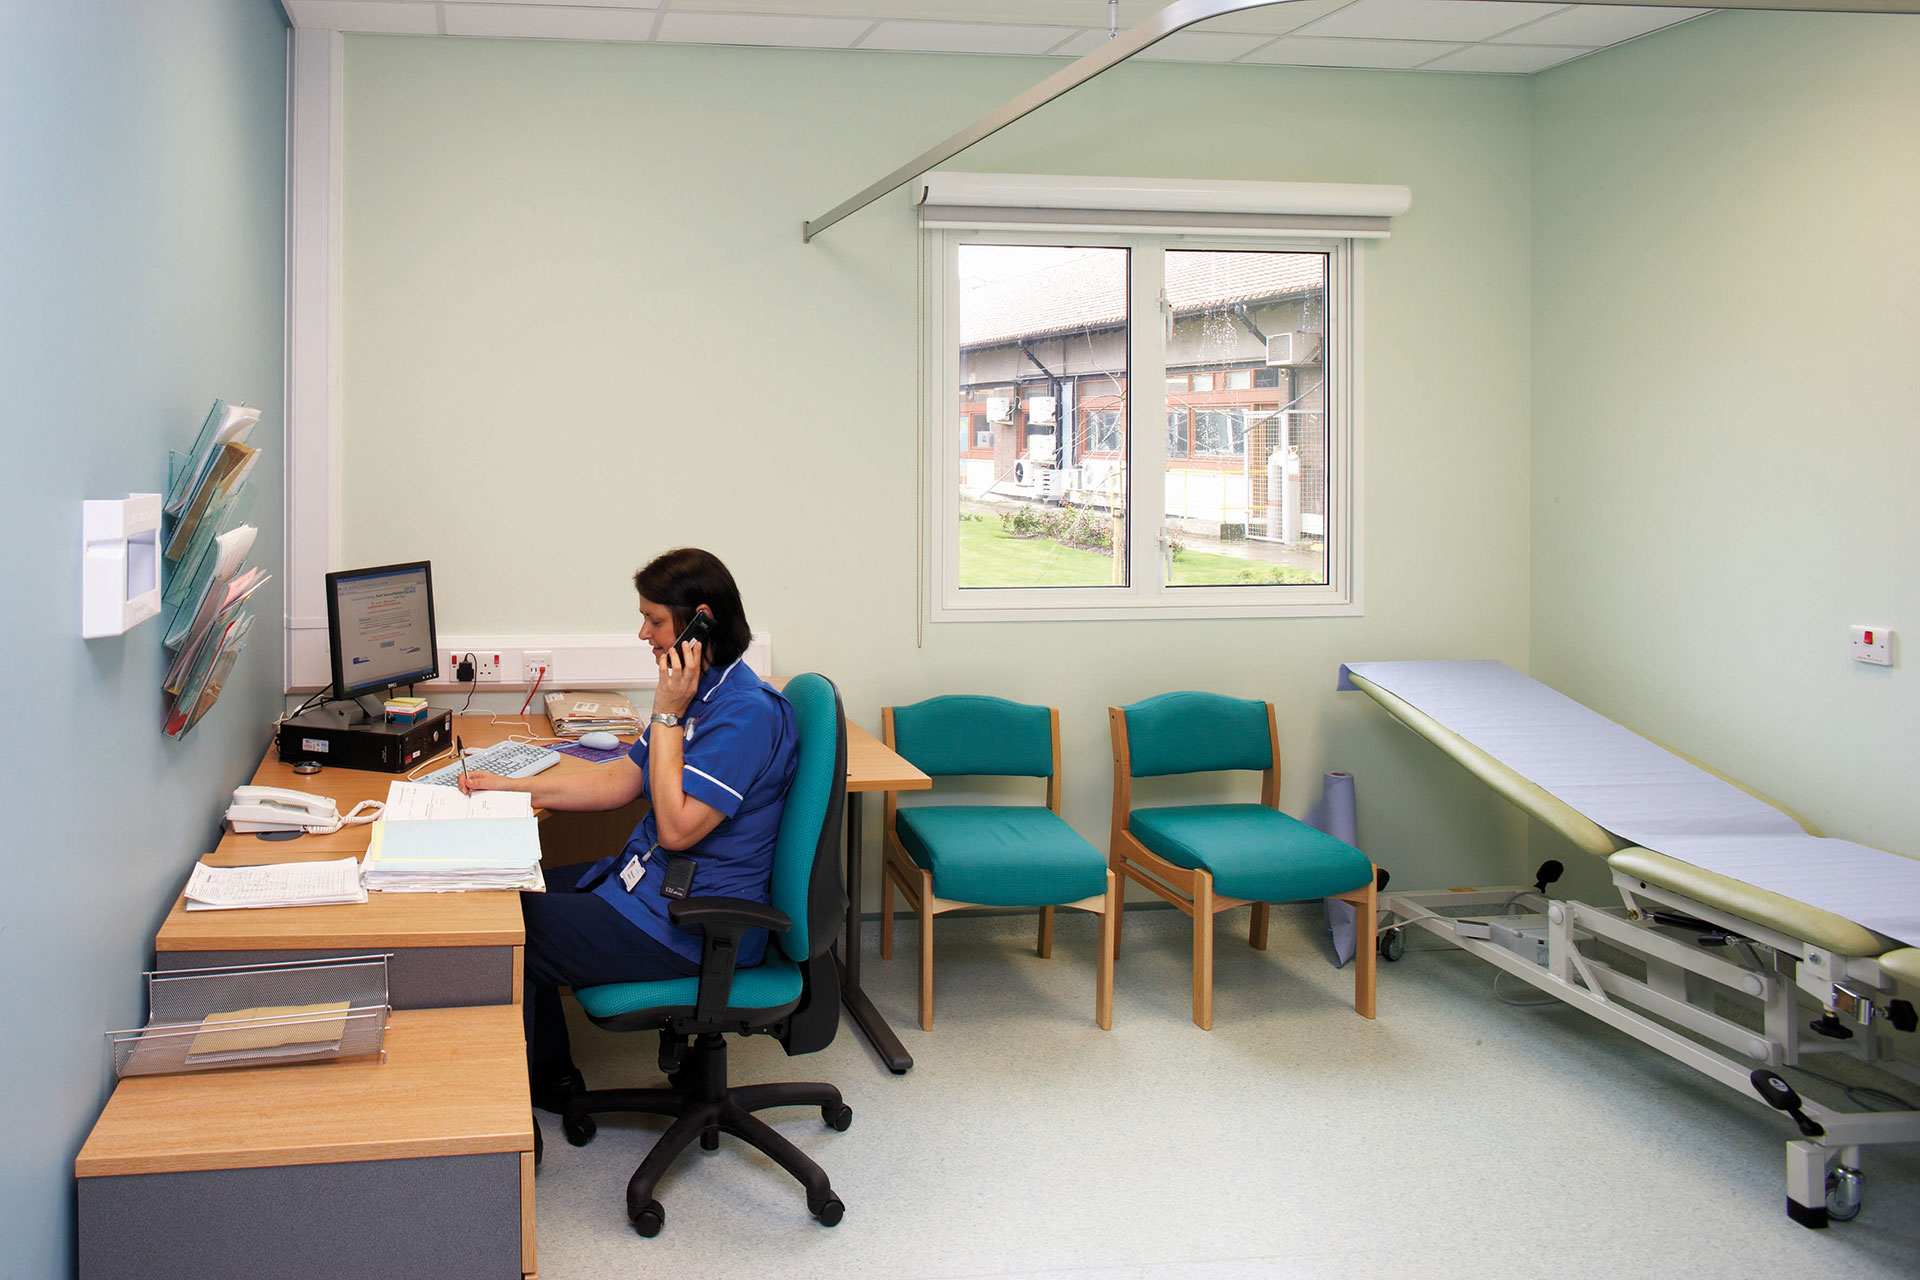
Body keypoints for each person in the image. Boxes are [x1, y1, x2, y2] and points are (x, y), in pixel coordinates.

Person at [460, 547, 797, 1109]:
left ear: (699, 623)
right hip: (646, 887)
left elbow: (677, 829)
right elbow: (619, 781)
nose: (644, 634)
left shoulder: (745, 713)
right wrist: (506, 787)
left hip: (692, 922)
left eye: (654, 620)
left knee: (507, 932)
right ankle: (551, 1074)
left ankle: (539, 1090)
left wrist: (665, 713)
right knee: (505, 893)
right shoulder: (700, 693)